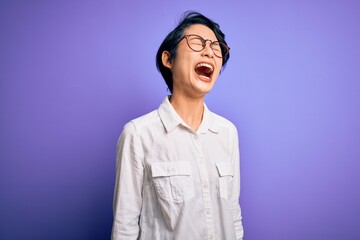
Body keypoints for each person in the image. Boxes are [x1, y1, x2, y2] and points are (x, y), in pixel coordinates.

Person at [111, 11, 244, 240]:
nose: (209, 51)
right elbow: (125, 228)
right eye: (197, 42)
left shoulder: (227, 133)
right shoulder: (138, 135)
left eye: (216, 47)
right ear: (168, 59)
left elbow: (233, 216)